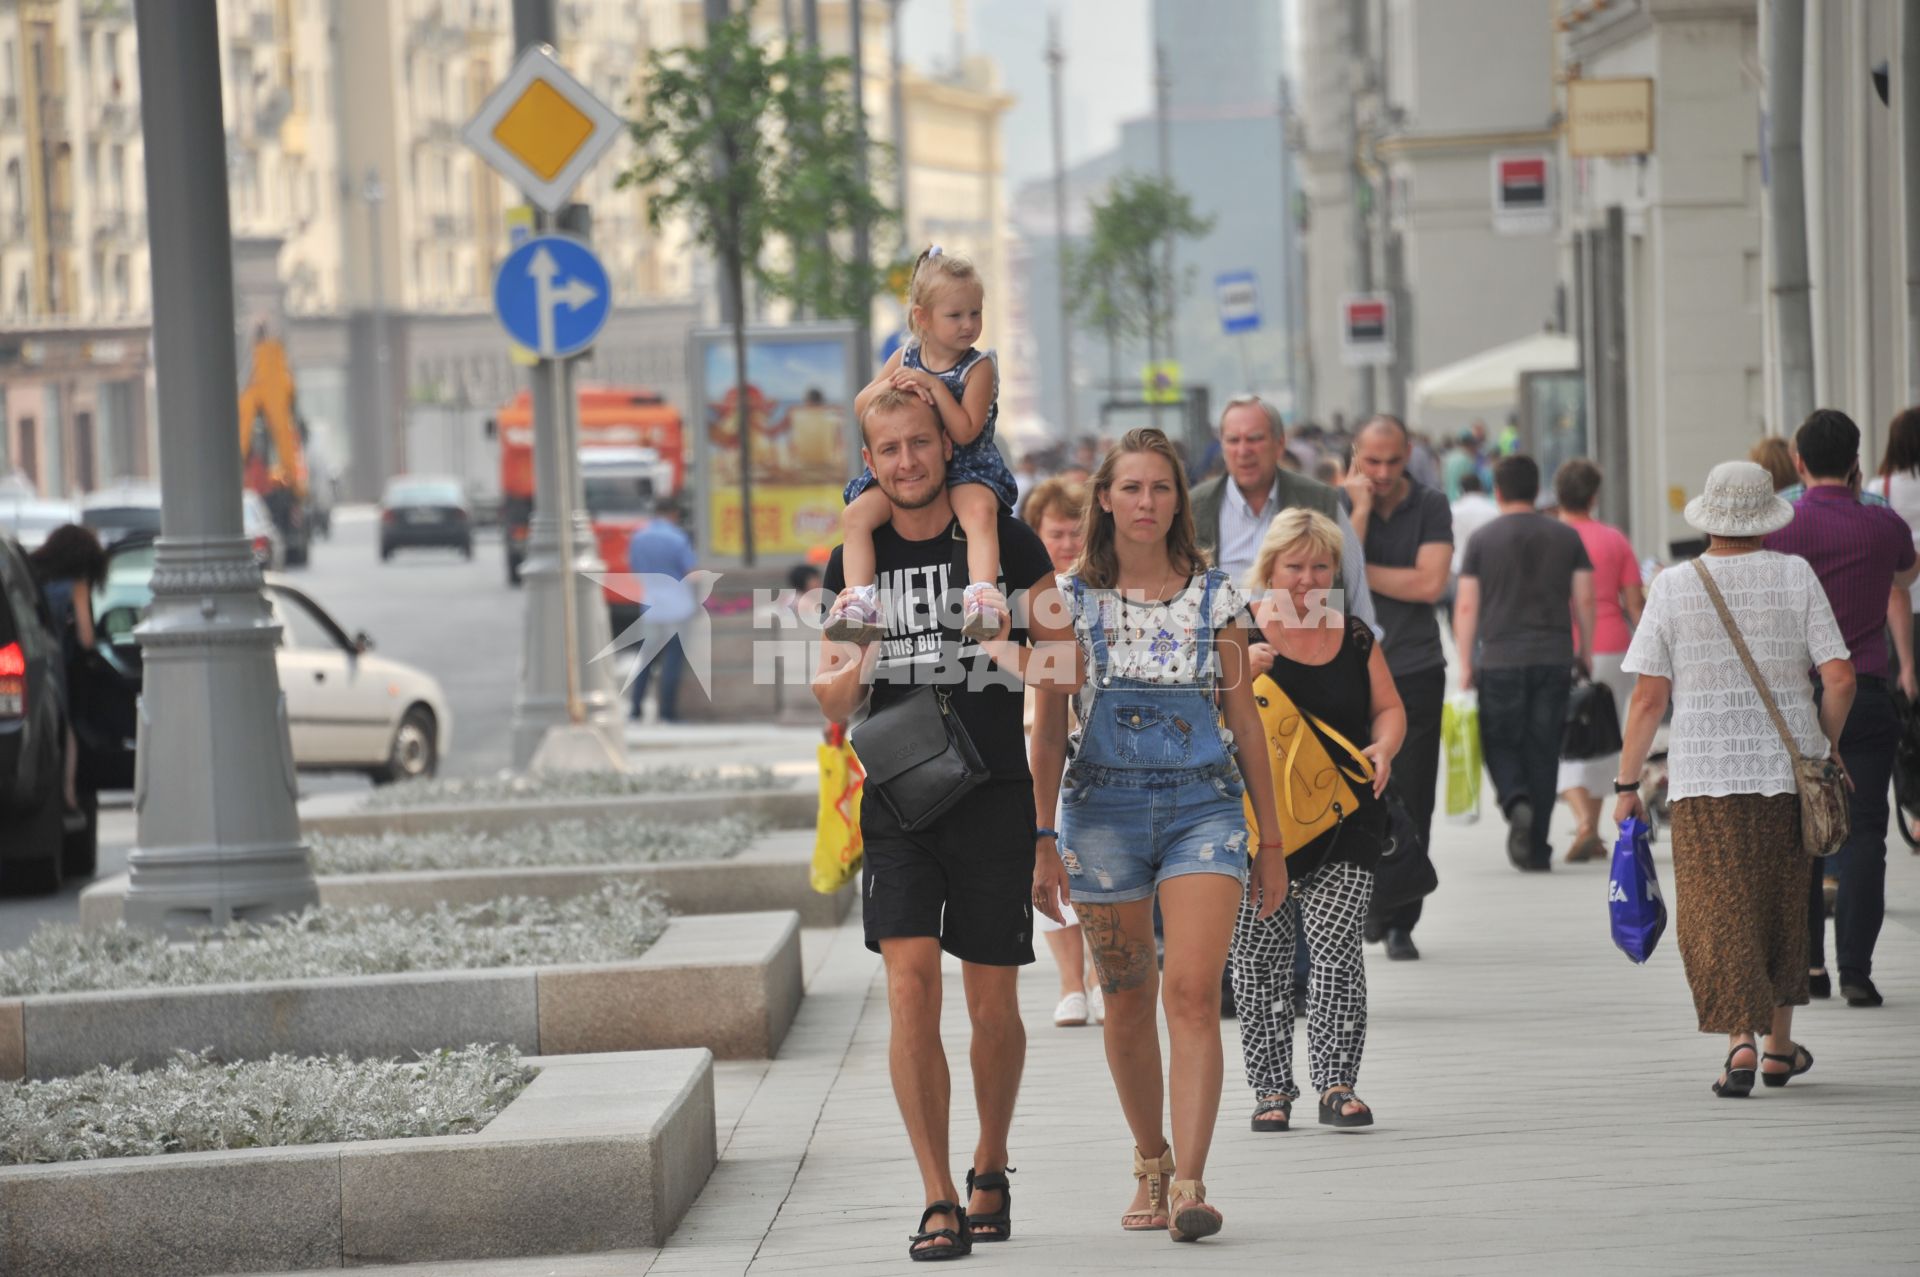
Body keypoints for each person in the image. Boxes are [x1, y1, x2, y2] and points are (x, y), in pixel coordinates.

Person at [815, 386, 1072, 1259]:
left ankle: (989, 1162)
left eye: (920, 444)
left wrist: (1018, 657)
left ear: (944, 445)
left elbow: (1064, 660)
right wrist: (856, 668)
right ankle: (936, 1194)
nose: (906, 462)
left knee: (991, 1002)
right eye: (888, 450)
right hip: (898, 795)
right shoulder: (855, 554)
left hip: (995, 792)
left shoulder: (1001, 534)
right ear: (870, 458)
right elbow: (831, 690)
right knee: (908, 986)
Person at [1031, 428, 1285, 1244]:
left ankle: (1189, 1182)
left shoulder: (1219, 597)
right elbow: (1044, 730)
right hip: (1099, 813)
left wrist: (1271, 837)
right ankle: (1150, 1156)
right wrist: (1041, 838)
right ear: (1103, 497)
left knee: (1192, 992)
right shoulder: (1063, 601)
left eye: (1162, 488)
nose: (1147, 502)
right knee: (1129, 998)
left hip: (1202, 809)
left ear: (1180, 499)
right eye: (1132, 487)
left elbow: (1244, 719)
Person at [1614, 459, 1852, 1096]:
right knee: (1781, 907)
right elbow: (1840, 677)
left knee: (1716, 910)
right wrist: (1825, 744)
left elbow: (1646, 698)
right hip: (1787, 775)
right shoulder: (1795, 574)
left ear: (1710, 516)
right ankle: (1779, 1048)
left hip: (1704, 775)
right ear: (1767, 516)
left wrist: (1626, 785)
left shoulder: (1673, 584)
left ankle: (1738, 1044)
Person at [1233, 508, 1405, 1132]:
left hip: (1345, 817)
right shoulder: (1239, 633)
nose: (1307, 579)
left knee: (1337, 952)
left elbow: (1388, 710)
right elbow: (1196, 719)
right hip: (1257, 824)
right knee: (1258, 958)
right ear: (1270, 568)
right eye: (1294, 566)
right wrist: (1231, 677)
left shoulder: (1354, 636)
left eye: (1319, 566)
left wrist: (1384, 746)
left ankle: (1337, 1083)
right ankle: (1271, 1090)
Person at [1763, 410, 1918, 1008]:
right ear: (1857, 462)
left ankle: (1809, 968)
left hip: (1794, 698)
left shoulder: (1778, 527)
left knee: (1798, 835)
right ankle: (1856, 968)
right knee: (1866, 836)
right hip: (1867, 693)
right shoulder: (1882, 525)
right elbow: (1906, 572)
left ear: (1798, 463)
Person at [831, 246, 1017, 645]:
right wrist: (897, 381)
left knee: (980, 513)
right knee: (856, 515)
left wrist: (933, 386)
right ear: (922, 318)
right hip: (913, 470)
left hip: (967, 467)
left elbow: (966, 430)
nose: (968, 325)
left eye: (975, 313)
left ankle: (982, 595)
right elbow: (862, 405)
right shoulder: (906, 355)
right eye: (955, 315)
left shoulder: (978, 366)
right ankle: (861, 599)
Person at [1342, 416, 1451, 960]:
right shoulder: (1335, 503)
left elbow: (1431, 583)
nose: (1382, 473)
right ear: (1354, 456)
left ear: (1408, 453)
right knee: (1358, 795)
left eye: (1392, 460)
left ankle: (1402, 917)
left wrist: (1366, 573)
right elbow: (1337, 577)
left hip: (1416, 664)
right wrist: (1357, 512)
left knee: (1414, 790)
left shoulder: (1429, 505)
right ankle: (1367, 906)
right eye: (1371, 461)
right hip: (1348, 669)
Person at [1453, 455, 1595, 871]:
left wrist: (1465, 661)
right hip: (1553, 657)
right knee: (1543, 748)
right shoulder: (1566, 537)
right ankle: (1535, 848)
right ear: (1537, 491)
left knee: (1499, 740)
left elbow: (1465, 606)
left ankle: (1514, 799)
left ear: (1497, 491)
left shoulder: (1482, 540)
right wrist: (1584, 650)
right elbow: (1584, 598)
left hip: (1498, 659)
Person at [1187, 395, 1379, 632]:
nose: (1243, 450)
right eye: (1233, 440)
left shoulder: (1320, 502)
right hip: (1229, 659)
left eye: (1254, 439)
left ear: (1279, 444)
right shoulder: (1195, 508)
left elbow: (1356, 588)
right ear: (1222, 447)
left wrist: (1366, 650)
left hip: (1313, 655)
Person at [1020, 476, 1101, 1028]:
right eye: (1055, 533)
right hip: (1042, 735)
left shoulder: (1102, 588)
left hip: (1097, 740)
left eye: (1076, 532)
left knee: (1095, 863)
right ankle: (1070, 983)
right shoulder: (1024, 595)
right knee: (1048, 854)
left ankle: (1098, 976)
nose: (1067, 543)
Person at [1552, 459, 1645, 863]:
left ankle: (1585, 824)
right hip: (1614, 646)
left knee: (1566, 738)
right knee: (1603, 734)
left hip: (1563, 646)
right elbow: (1634, 602)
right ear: (1594, 496)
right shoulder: (1614, 540)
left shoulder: (1550, 537)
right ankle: (1589, 828)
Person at [26, 523, 105, 811]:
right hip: (55, 662)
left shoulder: (32, 576)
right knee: (64, 726)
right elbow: (86, 639)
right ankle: (68, 793)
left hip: (26, 659)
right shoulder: (77, 586)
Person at [624, 498, 698, 722]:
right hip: (678, 605)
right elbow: (691, 570)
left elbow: (635, 568)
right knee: (673, 659)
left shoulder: (638, 538)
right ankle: (667, 712)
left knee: (646, 659)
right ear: (674, 513)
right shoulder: (677, 538)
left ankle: (635, 709)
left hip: (650, 604)